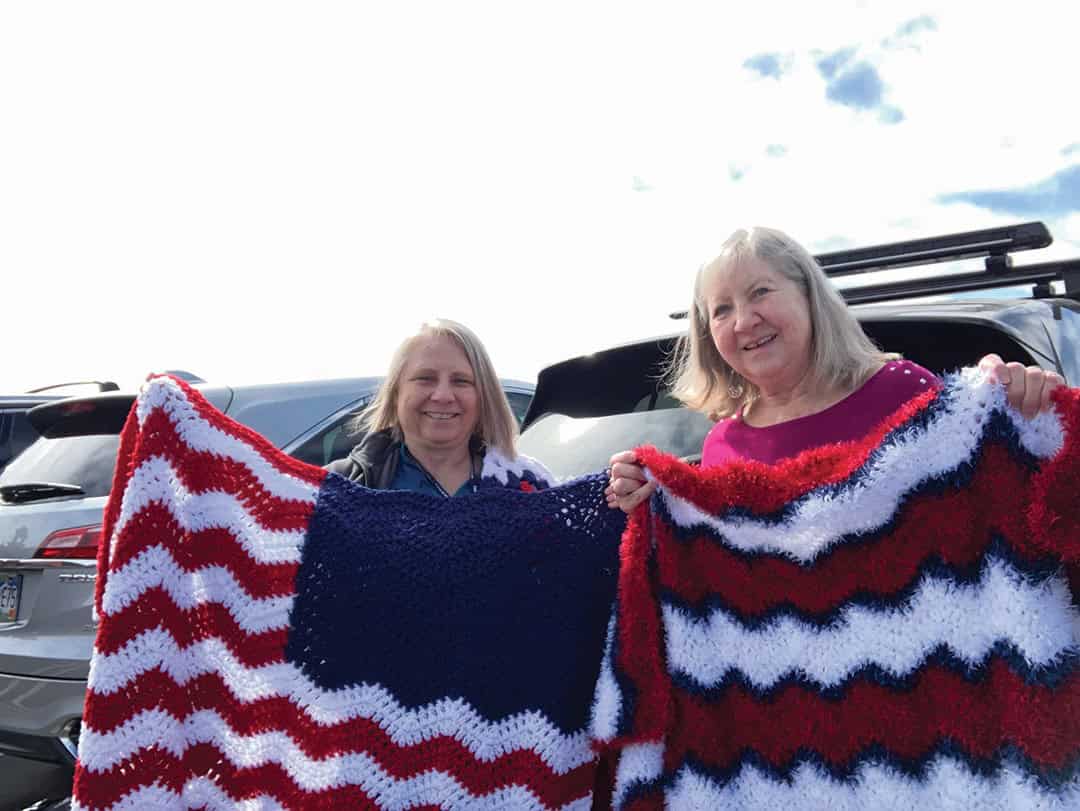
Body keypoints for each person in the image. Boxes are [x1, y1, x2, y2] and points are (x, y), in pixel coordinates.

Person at [607, 226, 1066, 510]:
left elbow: (997, 513)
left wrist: (1020, 423)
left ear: (808, 295)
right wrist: (651, 497)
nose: (744, 321)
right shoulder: (721, 445)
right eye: (721, 309)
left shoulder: (903, 393)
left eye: (761, 291)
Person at [327, 318, 553, 494]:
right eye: (425, 378)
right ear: (396, 392)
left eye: (461, 381)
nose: (443, 396)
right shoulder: (336, 488)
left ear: (484, 396)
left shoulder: (530, 487)